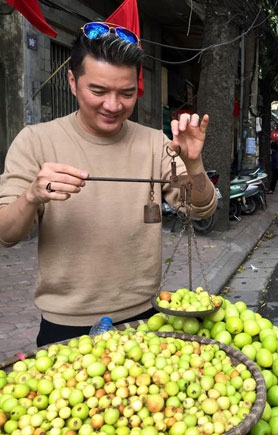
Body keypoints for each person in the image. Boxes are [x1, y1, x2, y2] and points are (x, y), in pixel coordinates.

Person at [0, 22, 217, 347]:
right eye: (98, 91)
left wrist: (194, 161)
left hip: (145, 319)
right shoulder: (35, 142)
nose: (113, 105)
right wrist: (32, 194)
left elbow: (200, 208)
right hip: (65, 326)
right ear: (72, 82)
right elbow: (6, 233)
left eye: (126, 93)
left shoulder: (155, 143)